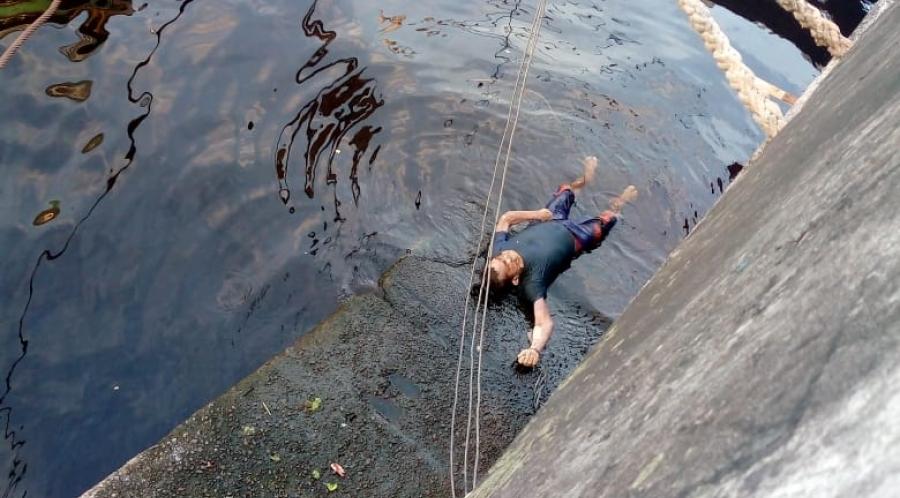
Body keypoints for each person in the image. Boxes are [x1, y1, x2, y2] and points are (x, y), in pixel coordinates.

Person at [489, 156, 638, 368]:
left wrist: (538, 215)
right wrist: (534, 349)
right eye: (509, 263)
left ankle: (586, 179)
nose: (508, 256)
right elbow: (544, 323)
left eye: (503, 257)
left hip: (551, 218)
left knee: (566, 189)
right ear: (514, 279)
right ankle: (619, 203)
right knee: (608, 219)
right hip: (578, 237)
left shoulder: (499, 250)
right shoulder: (532, 283)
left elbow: (506, 219)